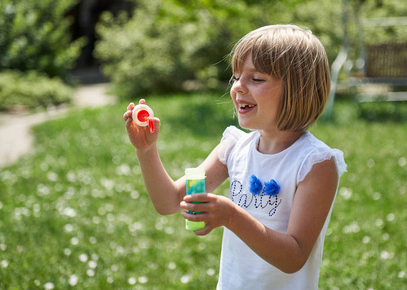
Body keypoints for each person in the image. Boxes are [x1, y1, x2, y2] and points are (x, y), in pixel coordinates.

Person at [123, 24, 347, 290]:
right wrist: (146, 151)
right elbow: (170, 201)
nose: (238, 87)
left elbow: (294, 256)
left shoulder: (314, 163)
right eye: (237, 76)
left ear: (298, 90)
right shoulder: (234, 148)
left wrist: (231, 216)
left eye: (256, 78)